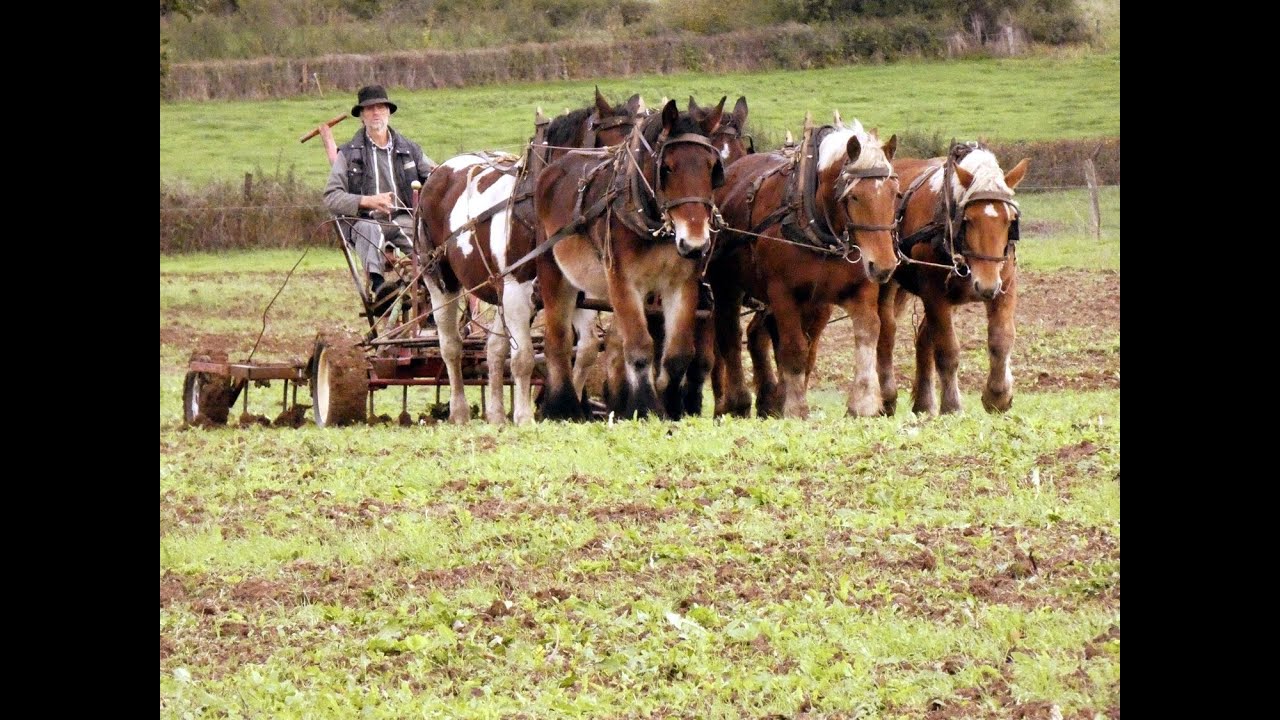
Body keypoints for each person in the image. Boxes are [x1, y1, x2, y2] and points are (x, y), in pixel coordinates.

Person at [323, 84, 436, 294]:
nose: (376, 112)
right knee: (369, 229)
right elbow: (331, 197)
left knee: (432, 247)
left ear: (389, 113)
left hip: (404, 218)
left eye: (381, 107)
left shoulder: (410, 149)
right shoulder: (348, 154)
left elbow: (436, 177)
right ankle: (381, 289)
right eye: (369, 108)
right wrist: (366, 201)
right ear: (362, 116)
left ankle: (428, 295)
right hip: (366, 221)